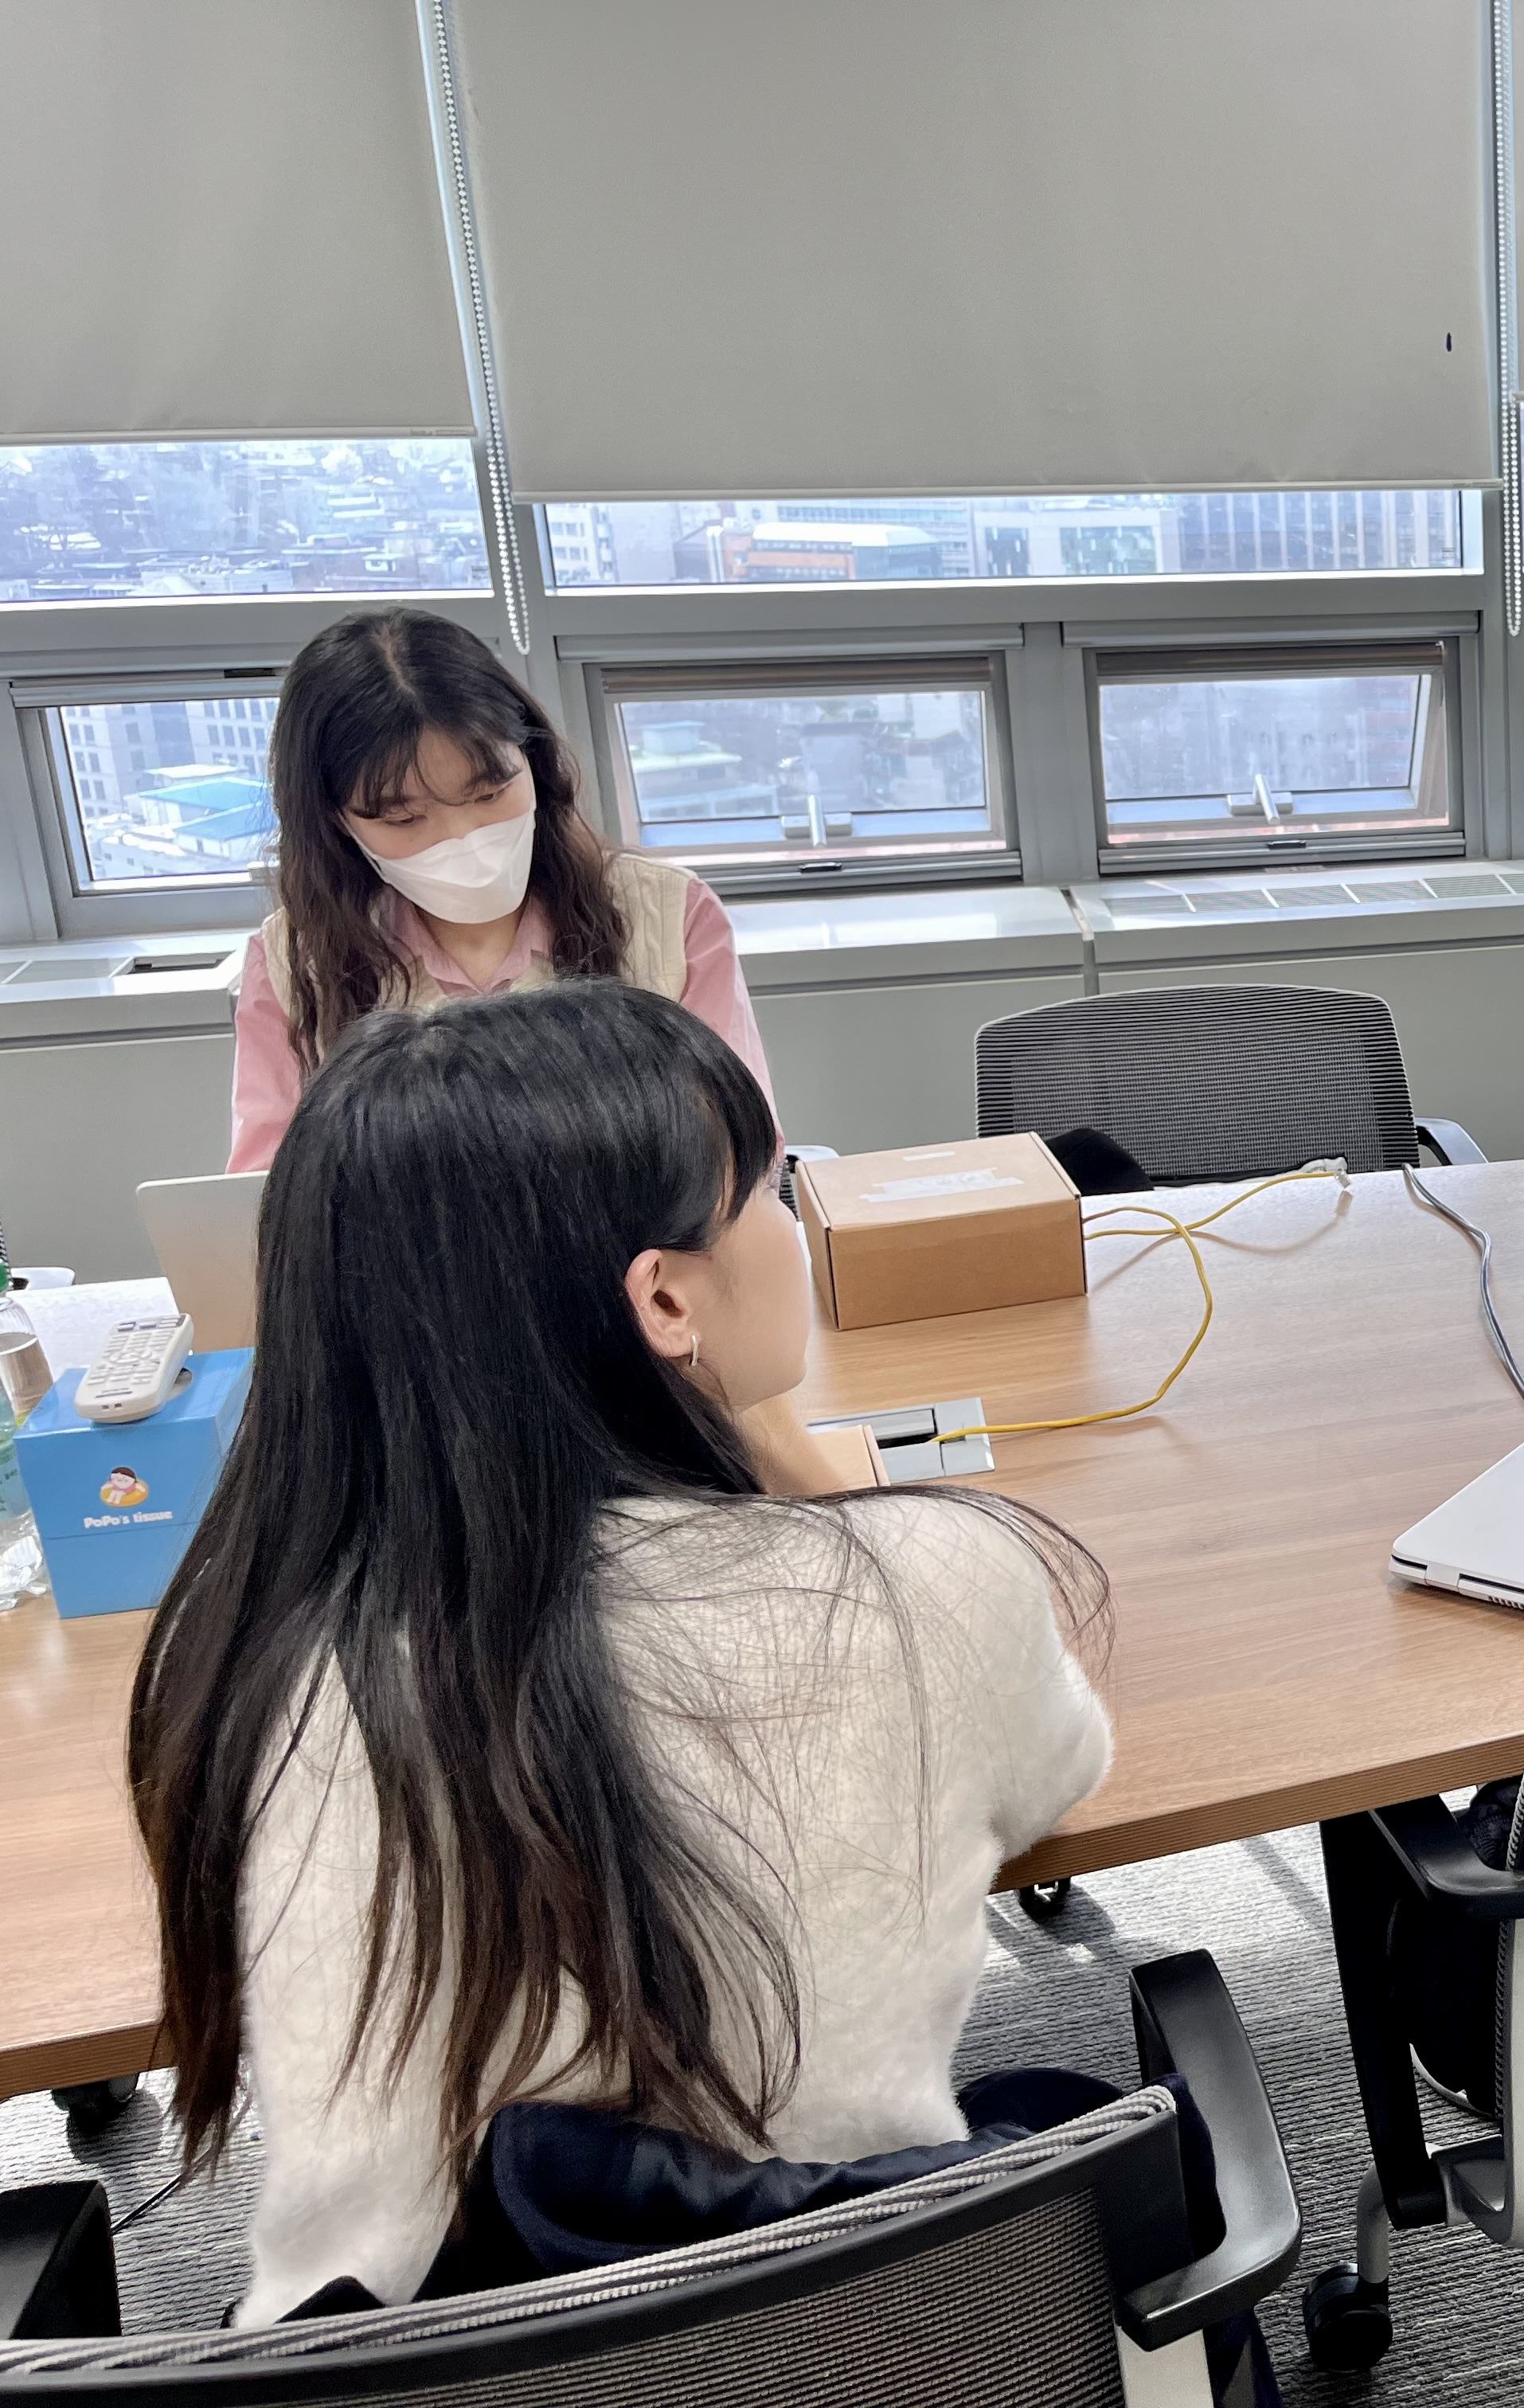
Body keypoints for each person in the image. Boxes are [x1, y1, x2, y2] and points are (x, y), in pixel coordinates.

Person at [129, 983, 1112, 2324]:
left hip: (394, 2365)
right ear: (662, 1295)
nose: (791, 1223)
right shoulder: (928, 1584)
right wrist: (777, 1443)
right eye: (769, 1192)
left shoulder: (250, 1665)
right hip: (872, 2332)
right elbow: (1056, 1770)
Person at [225, 607, 772, 1172]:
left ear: (533, 761)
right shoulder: (296, 964)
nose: (464, 839)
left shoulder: (668, 916)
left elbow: (741, 1157)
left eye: (489, 794)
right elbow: (267, 1192)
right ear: (336, 822)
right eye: (404, 819)